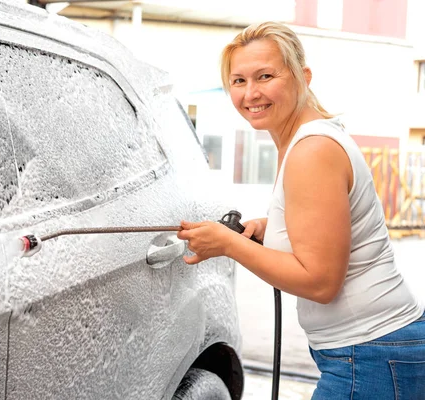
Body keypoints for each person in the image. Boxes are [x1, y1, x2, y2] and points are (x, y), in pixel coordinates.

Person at [177, 21, 425, 399]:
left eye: (265, 76)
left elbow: (321, 282)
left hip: (371, 351)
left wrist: (228, 244)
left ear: (303, 76)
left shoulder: (311, 151)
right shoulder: (303, 140)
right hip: (371, 348)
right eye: (238, 81)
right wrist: (273, 228)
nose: (251, 93)